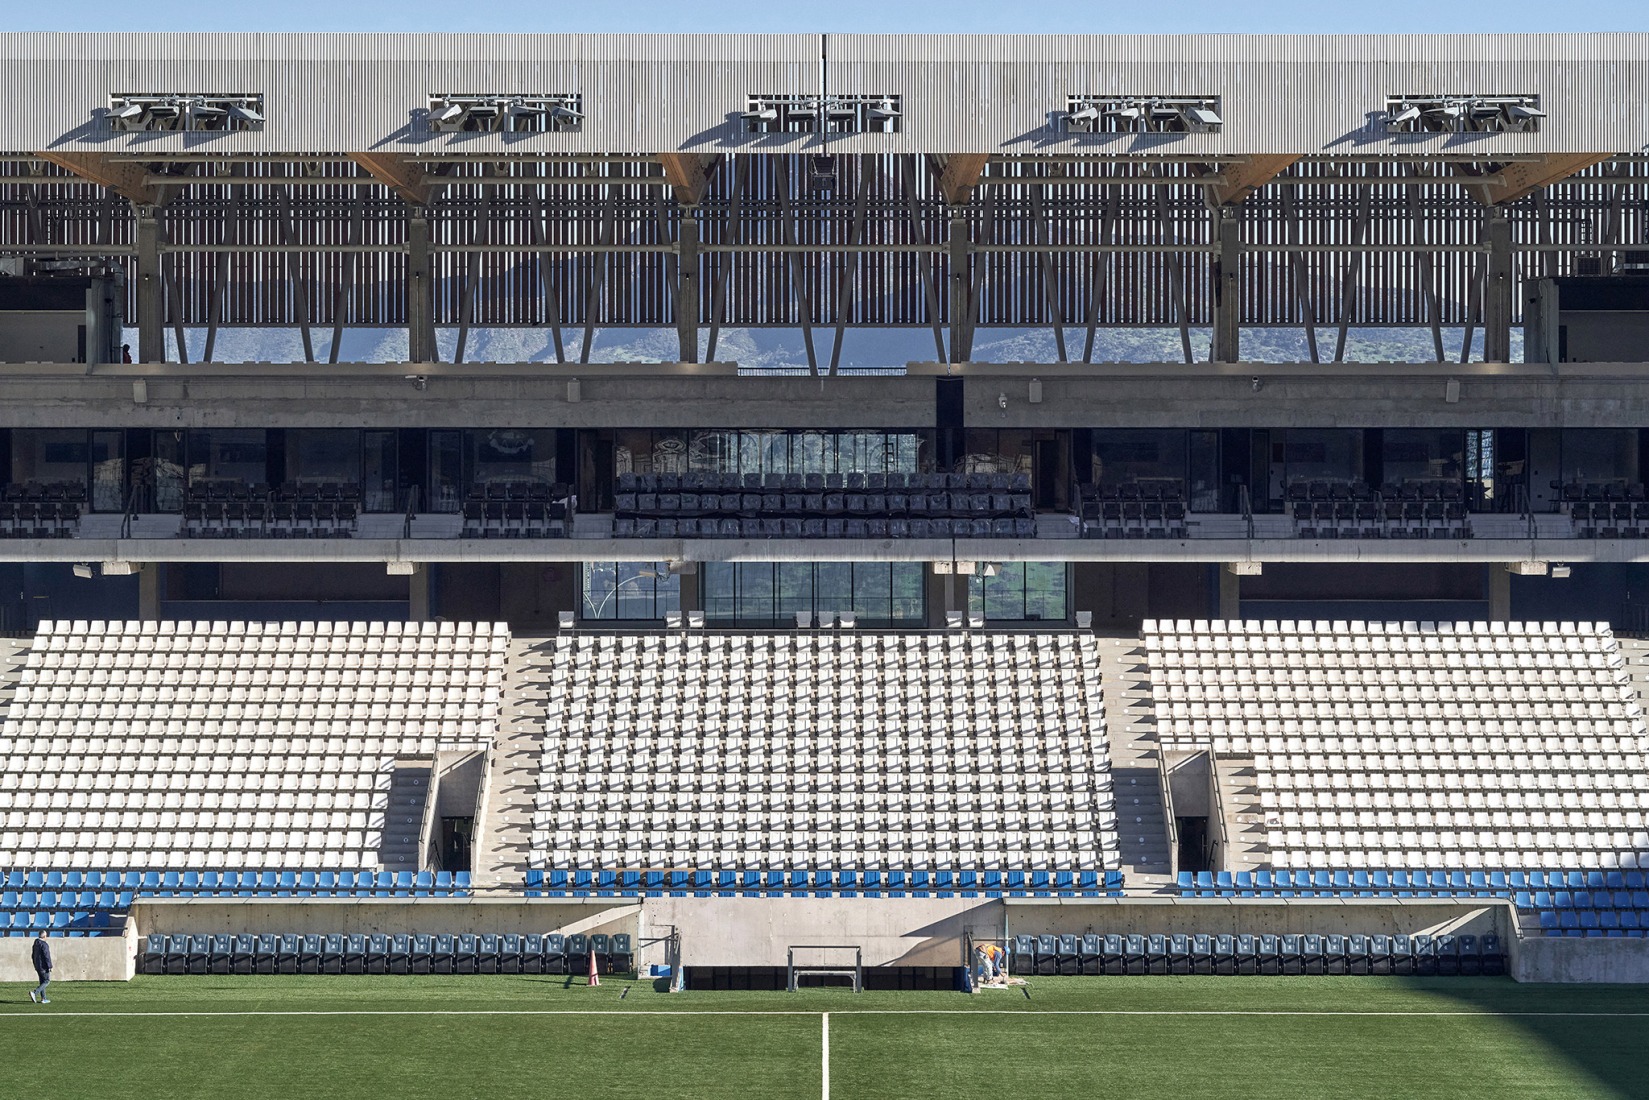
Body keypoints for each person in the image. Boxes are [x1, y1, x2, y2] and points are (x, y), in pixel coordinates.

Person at [29, 935, 51, 1004]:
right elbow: (47, 956)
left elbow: (33, 955)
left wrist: (35, 964)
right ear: (44, 936)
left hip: (38, 966)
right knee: (47, 981)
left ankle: (43, 998)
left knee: (42, 981)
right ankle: (35, 993)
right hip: (43, 966)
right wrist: (49, 966)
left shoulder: (35, 944)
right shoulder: (44, 944)